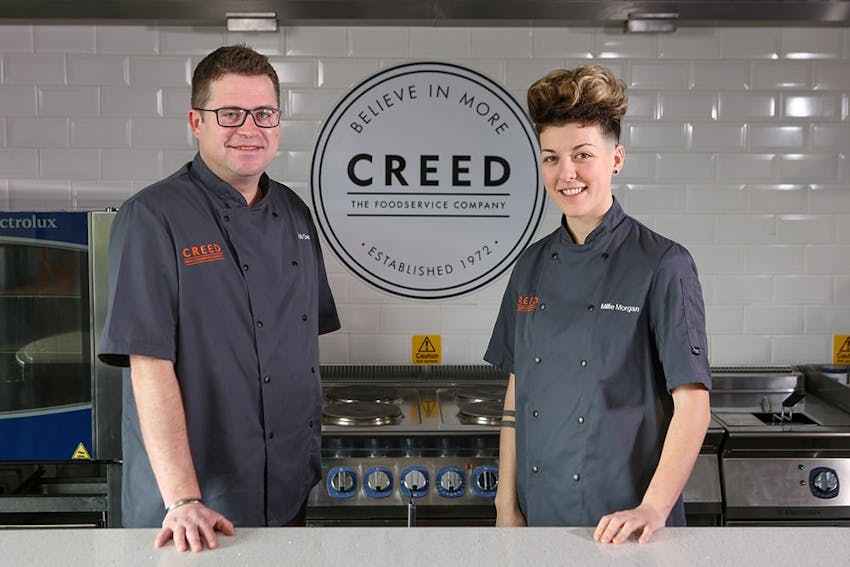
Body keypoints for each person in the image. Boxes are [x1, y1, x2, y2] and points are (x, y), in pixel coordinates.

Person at [98, 45, 340, 552]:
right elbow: (148, 366)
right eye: (229, 113)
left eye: (264, 113)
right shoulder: (152, 217)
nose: (250, 128)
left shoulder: (295, 214)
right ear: (196, 121)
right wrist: (183, 498)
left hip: (287, 494)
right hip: (194, 512)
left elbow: (298, 353)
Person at [484, 65, 711, 544]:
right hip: (538, 516)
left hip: (626, 523)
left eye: (582, 155)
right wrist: (506, 505)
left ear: (616, 158)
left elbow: (693, 404)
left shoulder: (664, 264)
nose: (565, 173)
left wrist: (653, 507)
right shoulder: (530, 266)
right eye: (551, 158)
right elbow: (516, 392)